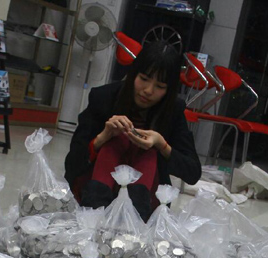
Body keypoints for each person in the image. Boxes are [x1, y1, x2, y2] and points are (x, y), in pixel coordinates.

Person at [64, 40, 201, 221]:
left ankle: (135, 215)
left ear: (169, 90)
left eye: (160, 87)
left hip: (145, 202)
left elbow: (192, 173)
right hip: (95, 196)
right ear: (132, 74)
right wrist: (102, 137)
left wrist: (161, 144)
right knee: (115, 141)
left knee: (149, 151)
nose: (148, 90)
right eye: (143, 79)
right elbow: (71, 165)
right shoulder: (104, 98)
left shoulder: (173, 111)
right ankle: (96, 206)